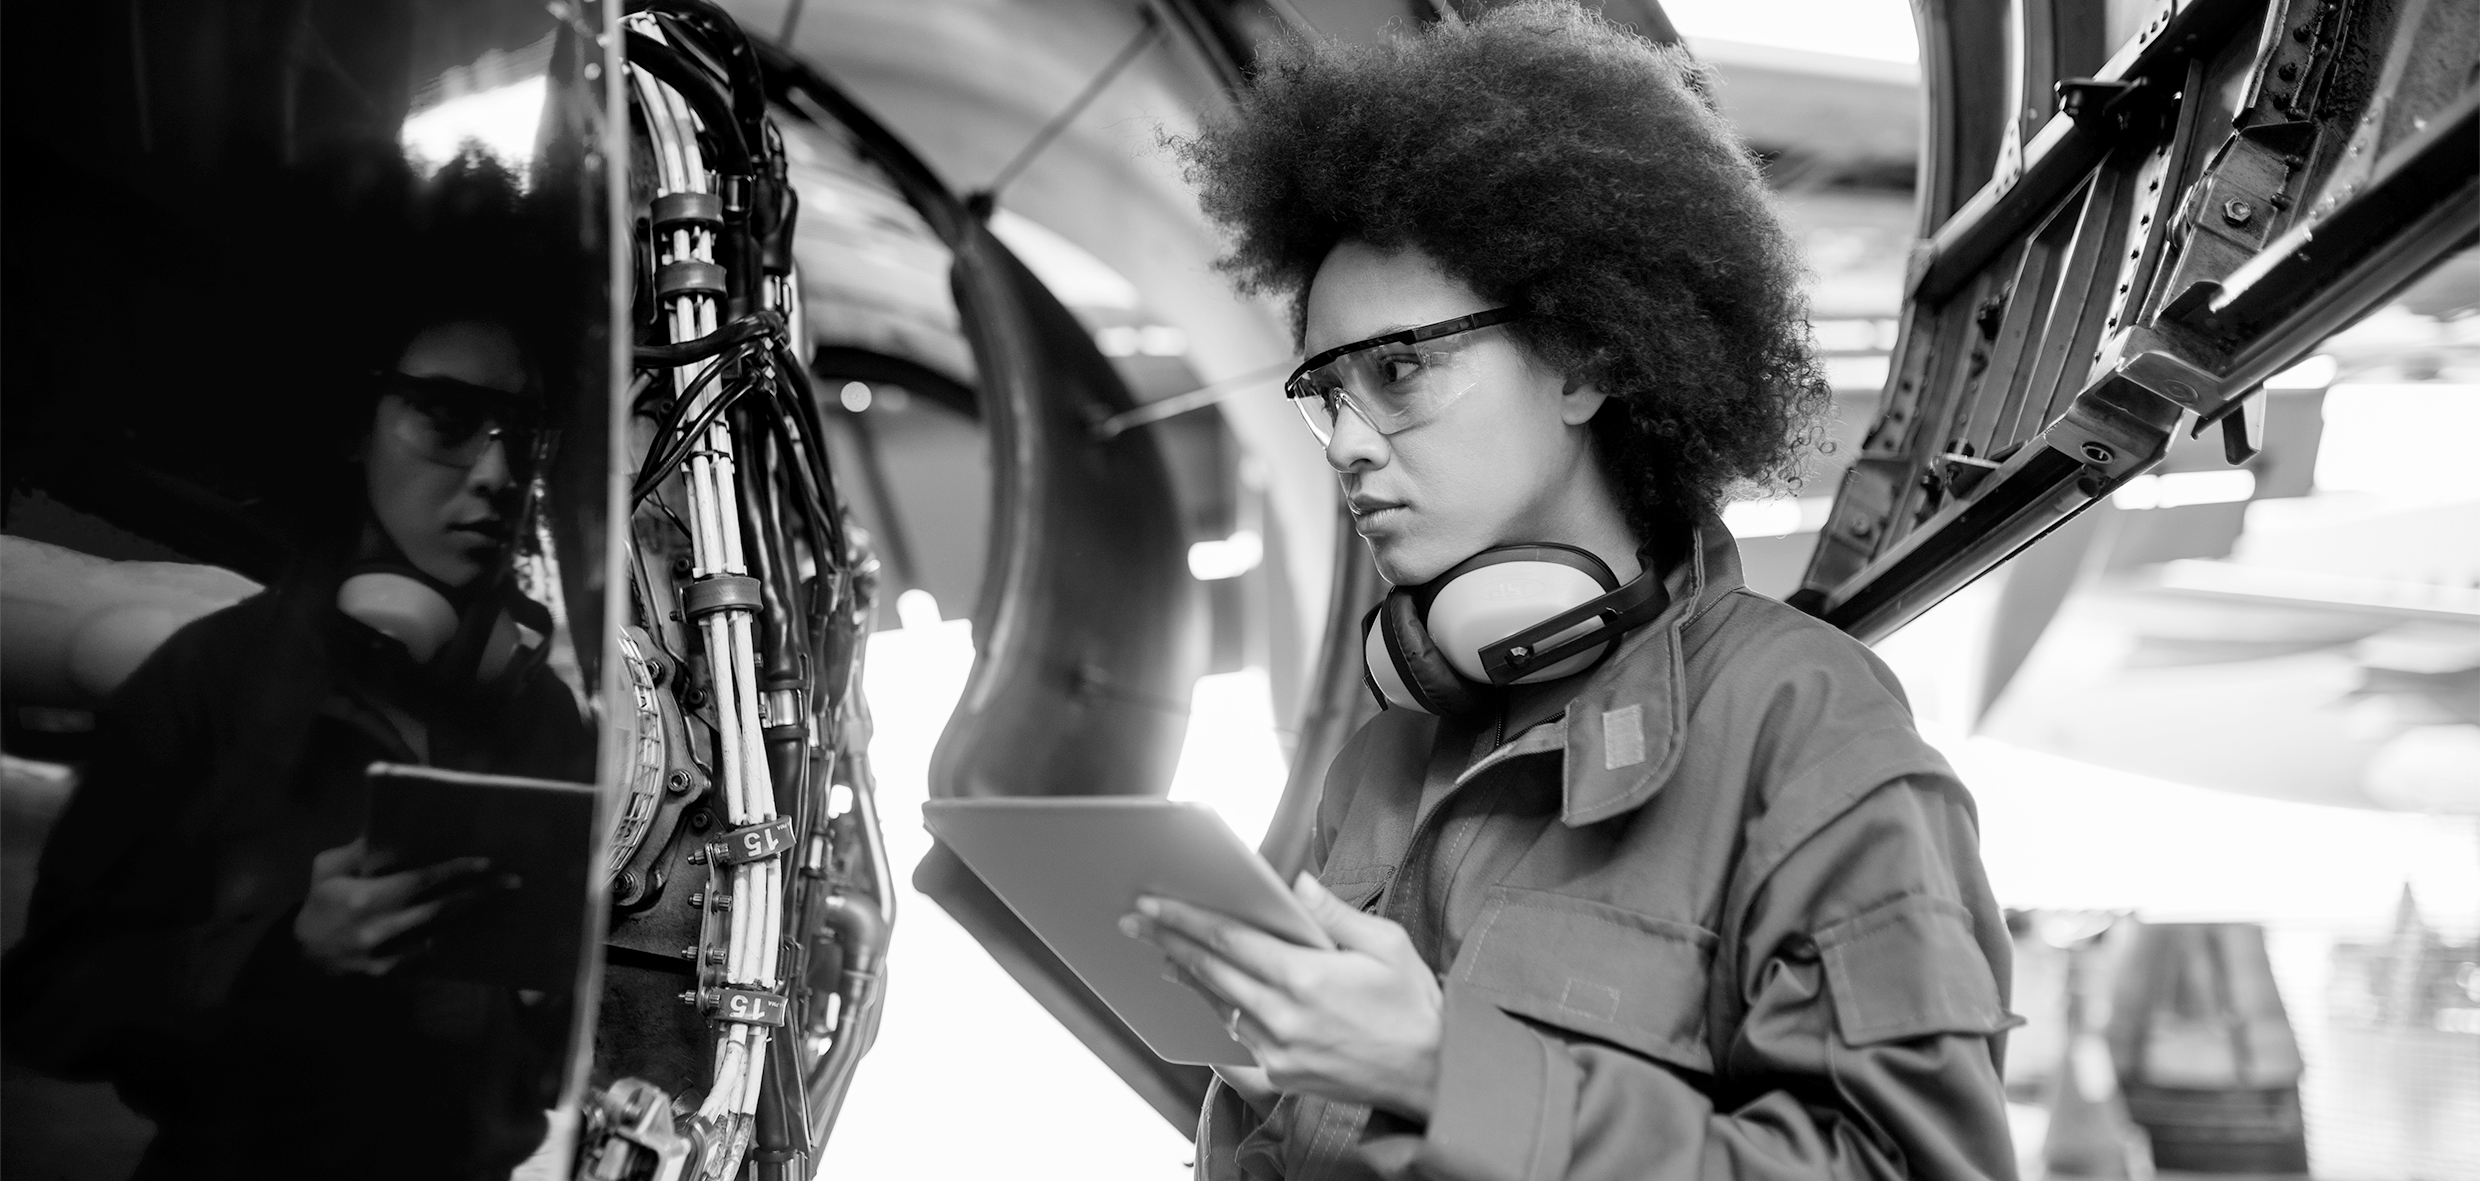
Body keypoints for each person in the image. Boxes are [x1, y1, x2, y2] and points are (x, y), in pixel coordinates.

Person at [1123, 6, 2019, 1179]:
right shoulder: (1379, 767)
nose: (1344, 444)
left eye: (1398, 371)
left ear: (1587, 355)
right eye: (1325, 392)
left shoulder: (1806, 731)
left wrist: (1442, 1075)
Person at [1, 313, 594, 1179]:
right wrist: (283, 955)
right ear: (360, 429)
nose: (500, 474)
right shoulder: (214, 676)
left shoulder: (539, 712)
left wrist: (549, 1002)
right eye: (445, 417)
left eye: (525, 434)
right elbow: (44, 1005)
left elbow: (550, 1059)